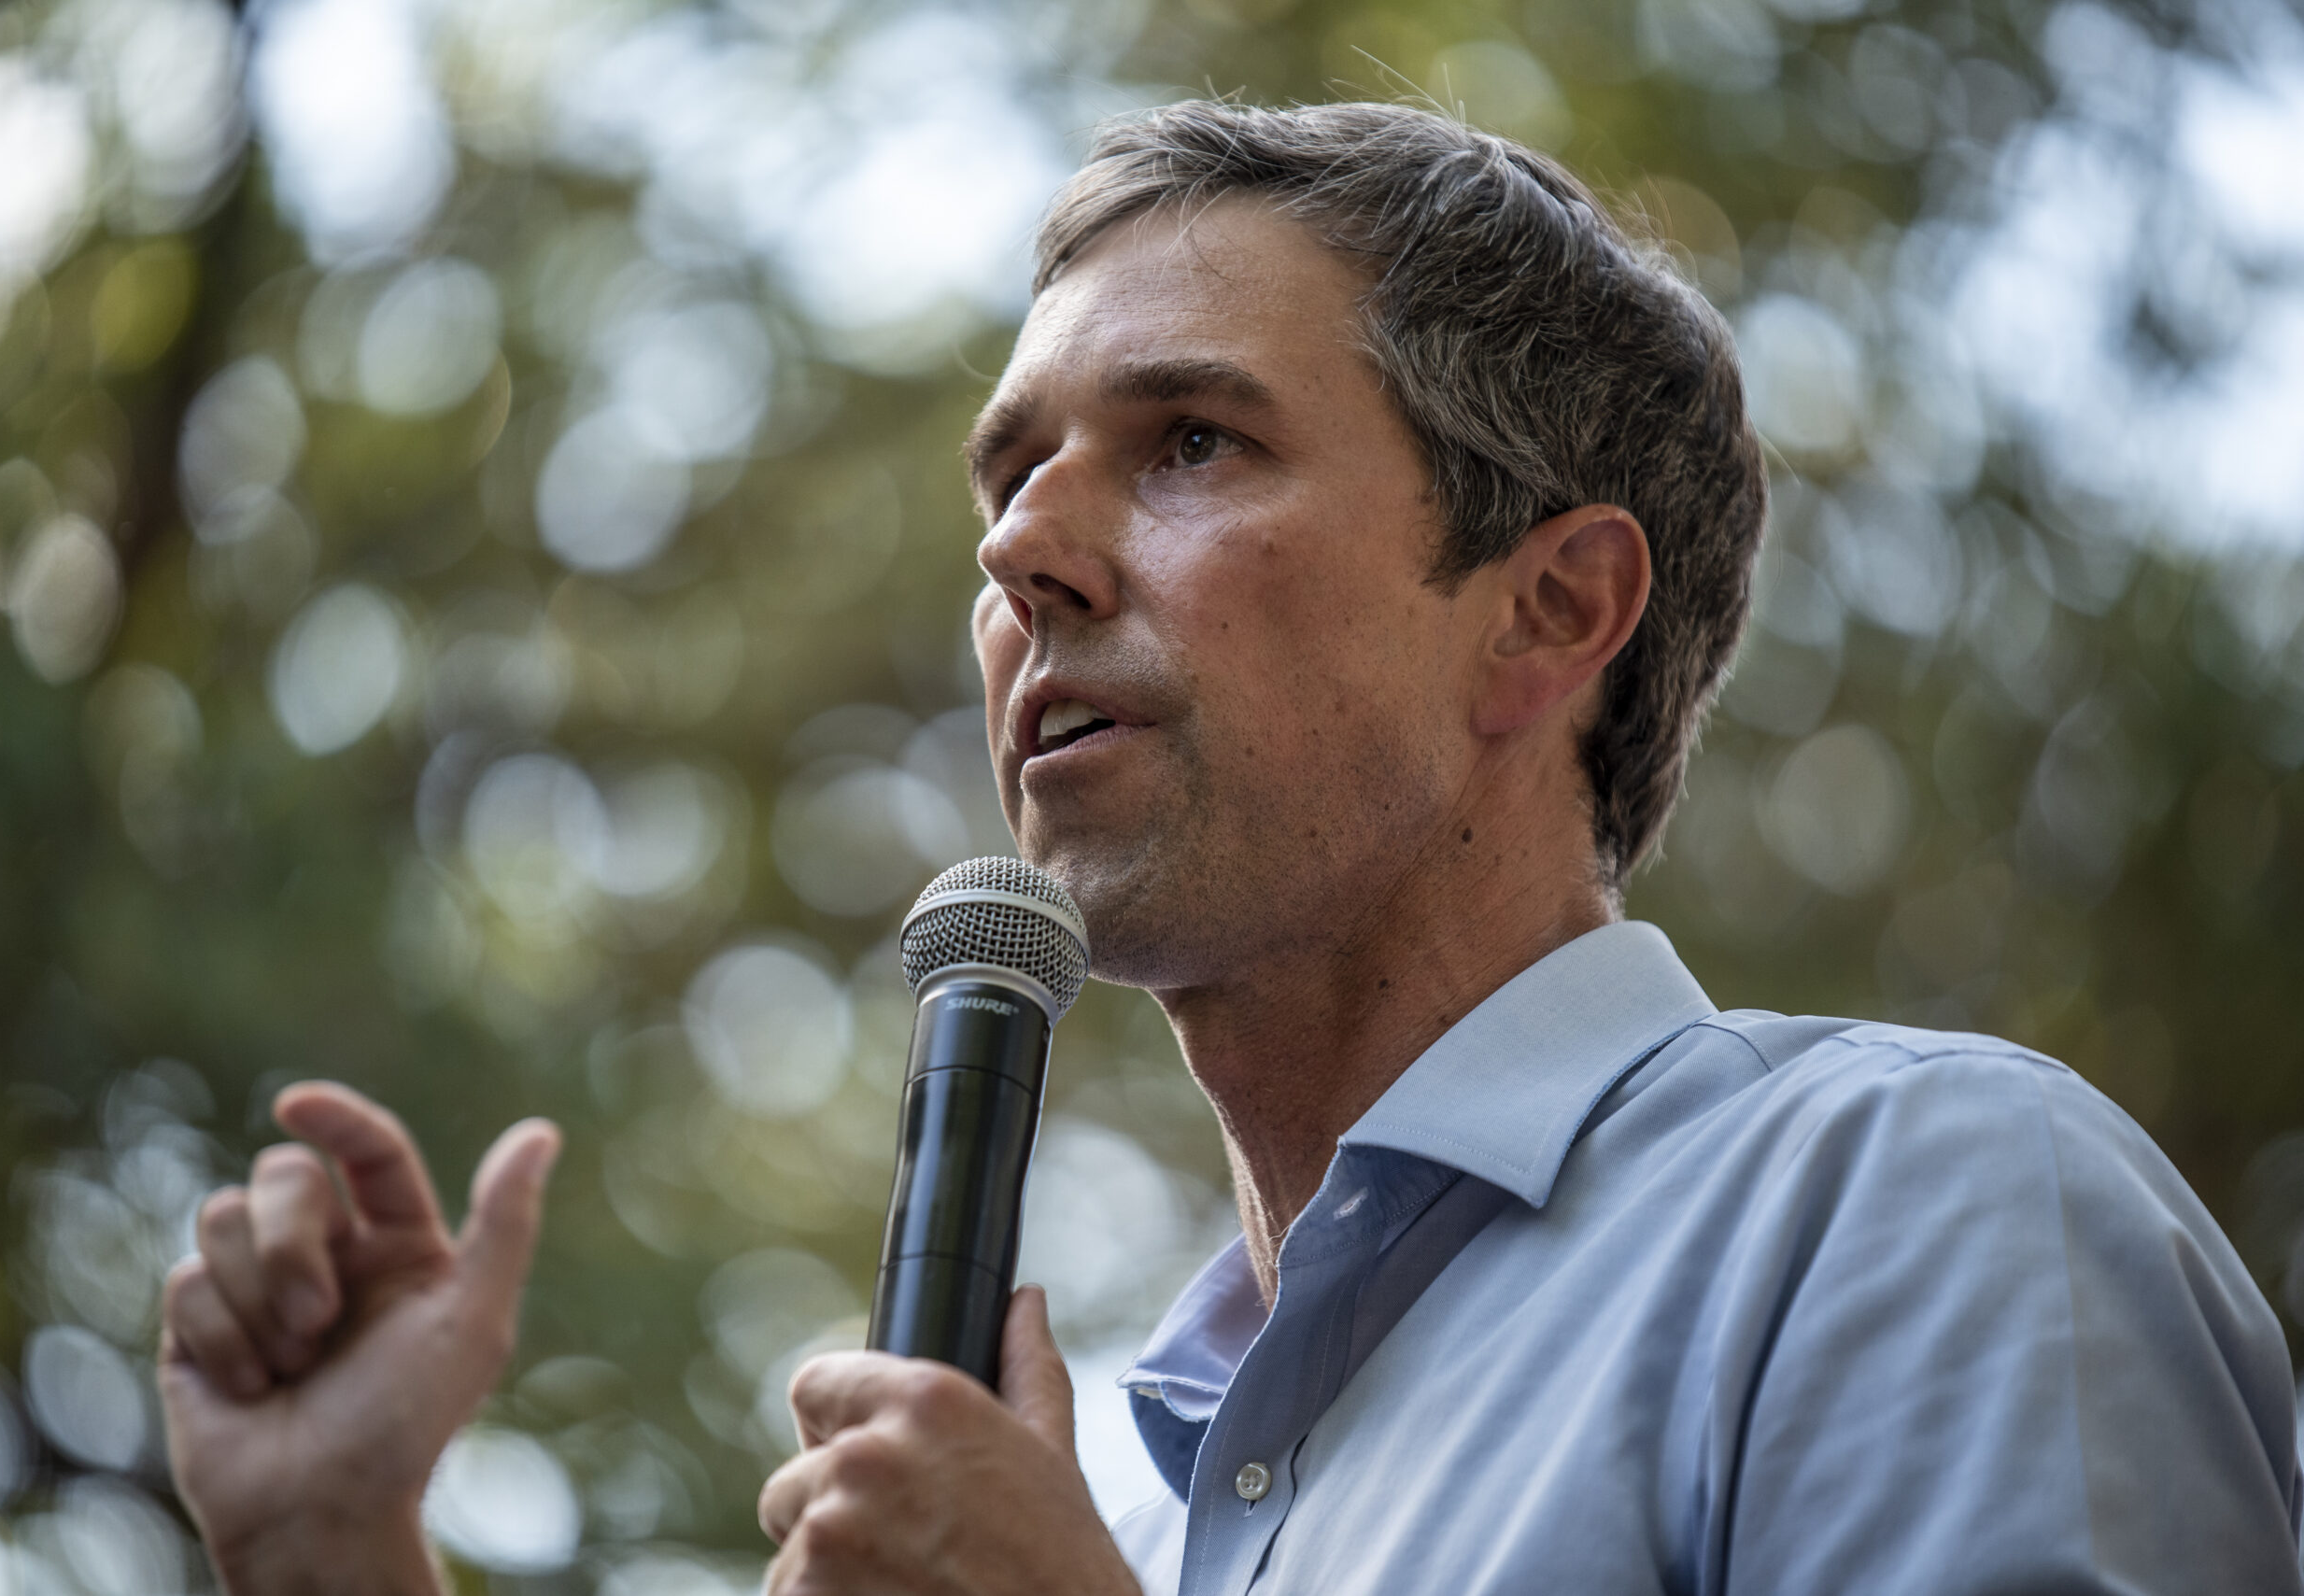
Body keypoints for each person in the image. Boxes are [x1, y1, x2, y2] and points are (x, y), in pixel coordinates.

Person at [157, 101, 2303, 1596]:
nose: (1018, 550)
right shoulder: (1138, 1511)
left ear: (1547, 610)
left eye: (1188, 442)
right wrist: (344, 1564)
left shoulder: (1911, 1214)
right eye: (1006, 477)